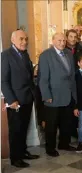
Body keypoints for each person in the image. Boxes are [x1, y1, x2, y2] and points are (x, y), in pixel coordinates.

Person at [1, 30, 39, 168]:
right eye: (21, 39)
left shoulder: (25, 53)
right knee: (15, 130)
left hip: (27, 98)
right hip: (15, 101)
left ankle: (23, 152)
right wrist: (11, 100)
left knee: (24, 128)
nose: (24, 42)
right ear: (13, 40)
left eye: (26, 39)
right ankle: (15, 158)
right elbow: (3, 81)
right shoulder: (5, 55)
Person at [38, 33, 77, 157]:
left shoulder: (69, 53)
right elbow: (43, 78)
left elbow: (72, 75)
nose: (62, 42)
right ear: (53, 40)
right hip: (52, 96)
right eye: (59, 40)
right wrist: (46, 95)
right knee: (52, 125)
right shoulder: (45, 55)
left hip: (68, 95)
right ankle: (50, 148)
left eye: (64, 40)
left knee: (66, 122)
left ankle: (64, 144)